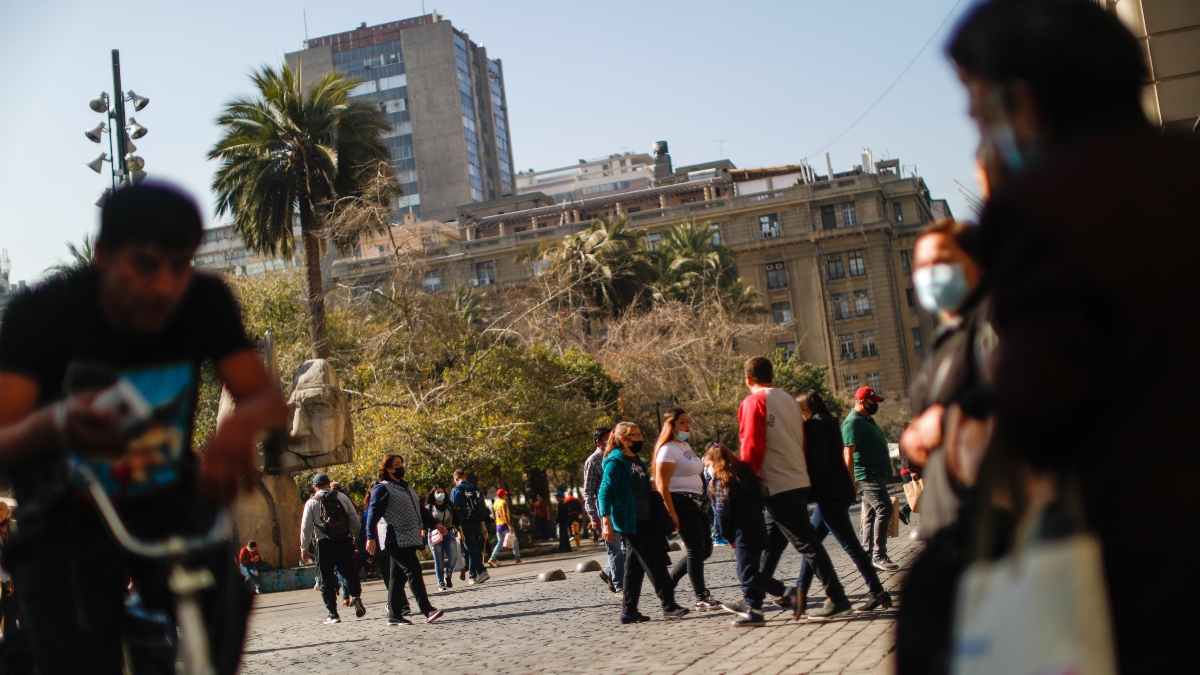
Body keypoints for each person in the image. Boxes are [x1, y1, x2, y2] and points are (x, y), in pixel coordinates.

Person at [908, 1, 1197, 671]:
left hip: (1141, 558)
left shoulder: (1046, 207)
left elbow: (1042, 408)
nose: (978, 132)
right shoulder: (1186, 162)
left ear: (1022, 103)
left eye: (978, 110)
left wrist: (960, 439)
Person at [0, 182, 288, 674]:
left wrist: (239, 427)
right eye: (144, 265)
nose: (163, 286)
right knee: (74, 650)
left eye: (180, 266)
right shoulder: (42, 315)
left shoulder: (203, 302)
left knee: (224, 597)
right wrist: (59, 422)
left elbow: (265, 398)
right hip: (64, 509)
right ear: (102, 255)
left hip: (164, 501)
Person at [738, 356, 852, 618]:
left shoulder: (754, 402)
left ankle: (837, 596)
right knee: (771, 545)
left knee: (807, 543)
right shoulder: (789, 400)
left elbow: (751, 446)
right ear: (771, 375)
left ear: (747, 379)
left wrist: (745, 483)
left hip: (775, 483)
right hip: (796, 479)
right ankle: (751, 599)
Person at [794, 391, 891, 612]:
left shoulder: (814, 428)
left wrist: (803, 490)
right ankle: (799, 592)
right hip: (834, 492)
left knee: (851, 546)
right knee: (812, 546)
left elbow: (817, 465)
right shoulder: (830, 424)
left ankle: (877, 592)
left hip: (828, 494)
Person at [598, 421, 689, 623]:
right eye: (635, 436)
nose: (640, 438)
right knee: (655, 561)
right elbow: (604, 493)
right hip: (630, 520)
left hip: (646, 517)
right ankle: (668, 605)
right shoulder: (615, 461)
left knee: (633, 567)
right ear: (623, 439)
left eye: (640, 434)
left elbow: (638, 485)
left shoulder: (636, 458)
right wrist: (606, 521)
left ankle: (628, 611)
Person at [705, 443, 788, 627]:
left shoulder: (721, 481)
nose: (707, 469)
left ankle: (787, 591)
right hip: (757, 529)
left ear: (715, 463)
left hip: (742, 533)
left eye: (707, 465)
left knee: (747, 574)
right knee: (749, 571)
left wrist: (726, 536)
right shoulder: (744, 475)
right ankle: (753, 610)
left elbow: (722, 513)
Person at [365, 455, 445, 626]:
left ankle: (394, 615)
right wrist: (370, 537)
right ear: (388, 469)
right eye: (397, 465)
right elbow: (372, 514)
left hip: (409, 537)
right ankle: (427, 609)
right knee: (414, 571)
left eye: (402, 463)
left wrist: (435, 523)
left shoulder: (406, 486)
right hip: (394, 538)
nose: (401, 467)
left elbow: (420, 510)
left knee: (397, 578)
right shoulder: (382, 488)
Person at [653, 408, 720, 610]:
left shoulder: (684, 445)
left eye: (687, 421)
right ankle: (701, 595)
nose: (687, 426)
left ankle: (669, 583)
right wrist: (671, 512)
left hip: (698, 501)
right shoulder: (667, 450)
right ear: (671, 426)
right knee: (694, 549)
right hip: (681, 501)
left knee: (705, 548)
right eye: (682, 422)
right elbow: (662, 483)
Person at [841, 386, 897, 571]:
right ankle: (879, 555)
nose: (876, 405)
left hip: (875, 473)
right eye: (873, 402)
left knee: (871, 514)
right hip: (866, 474)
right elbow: (848, 454)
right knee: (884, 507)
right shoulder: (852, 422)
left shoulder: (866, 420)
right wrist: (852, 482)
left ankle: (865, 556)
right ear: (862, 402)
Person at [300, 474, 365, 624]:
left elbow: (306, 528)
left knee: (326, 579)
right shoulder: (341, 496)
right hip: (344, 540)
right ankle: (355, 596)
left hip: (323, 543)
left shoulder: (311, 502)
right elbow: (354, 519)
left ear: (314, 487)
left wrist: (304, 548)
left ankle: (333, 614)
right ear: (329, 484)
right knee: (349, 572)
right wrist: (357, 538)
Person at [583, 426, 624, 594]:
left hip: (622, 508)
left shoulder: (618, 455)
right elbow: (588, 491)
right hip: (606, 512)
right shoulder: (593, 461)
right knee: (615, 549)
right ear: (598, 442)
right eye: (608, 438)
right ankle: (621, 586)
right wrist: (594, 516)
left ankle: (608, 572)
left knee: (627, 548)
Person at [450, 469, 490, 584]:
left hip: (464, 523)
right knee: (475, 548)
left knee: (470, 548)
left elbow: (454, 509)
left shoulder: (456, 490)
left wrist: (456, 526)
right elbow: (483, 506)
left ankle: (482, 571)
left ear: (456, 478)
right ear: (465, 476)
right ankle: (473, 576)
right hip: (477, 522)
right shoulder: (477, 488)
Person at [426, 484, 461, 591]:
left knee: (453, 557)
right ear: (433, 494)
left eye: (442, 492)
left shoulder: (449, 507)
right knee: (439, 560)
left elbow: (456, 520)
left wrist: (461, 533)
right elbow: (424, 523)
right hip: (435, 535)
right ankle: (441, 583)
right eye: (437, 492)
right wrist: (422, 539)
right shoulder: (429, 507)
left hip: (449, 533)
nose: (440, 494)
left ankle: (448, 574)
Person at [487, 489, 522, 565]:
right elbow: (505, 515)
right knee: (514, 540)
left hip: (498, 525)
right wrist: (510, 525)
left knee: (500, 542)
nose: (505, 495)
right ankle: (517, 558)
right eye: (505, 494)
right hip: (505, 524)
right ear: (503, 495)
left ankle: (492, 558)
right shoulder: (503, 503)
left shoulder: (496, 503)